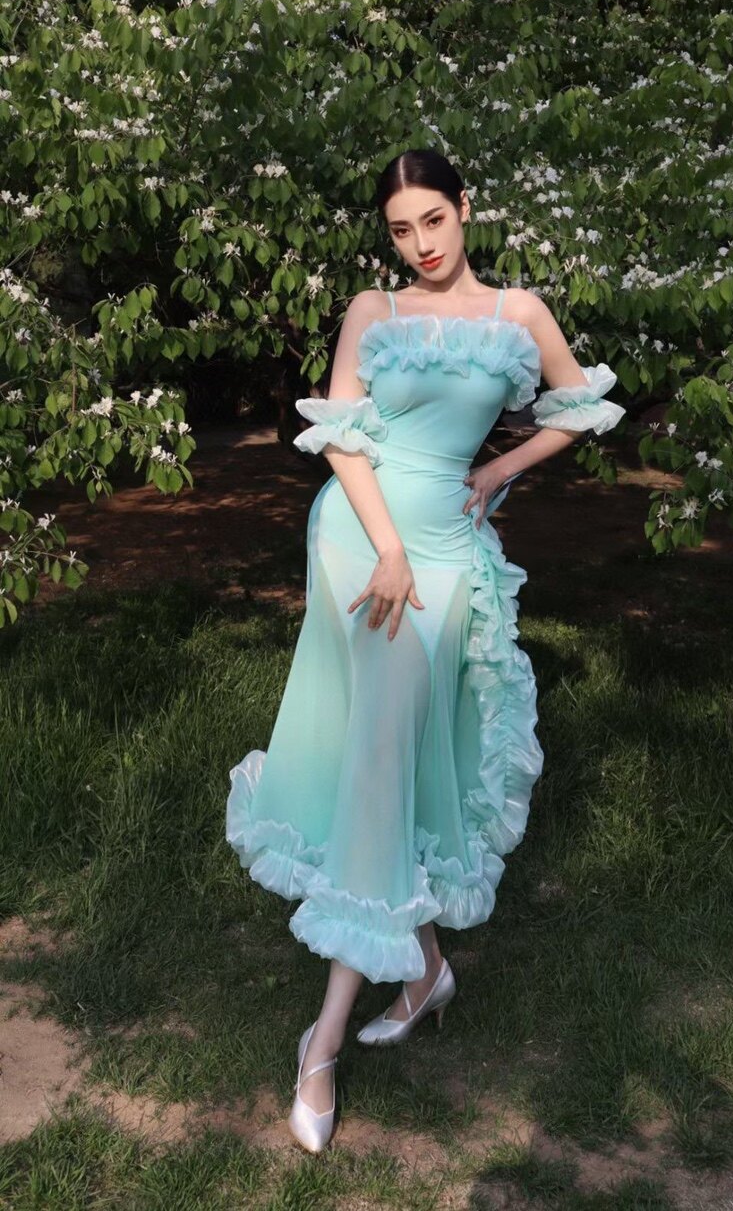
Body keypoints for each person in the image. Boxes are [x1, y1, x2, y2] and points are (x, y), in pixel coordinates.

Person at [225, 147, 626, 1152]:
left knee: (391, 755)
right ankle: (325, 1039)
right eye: (402, 230)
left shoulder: (520, 313)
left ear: (465, 208)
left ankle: (423, 972)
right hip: (360, 542)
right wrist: (389, 549)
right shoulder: (374, 309)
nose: (422, 244)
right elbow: (344, 438)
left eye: (434, 220)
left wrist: (499, 469)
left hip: (447, 550)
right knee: (378, 754)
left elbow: (582, 408)